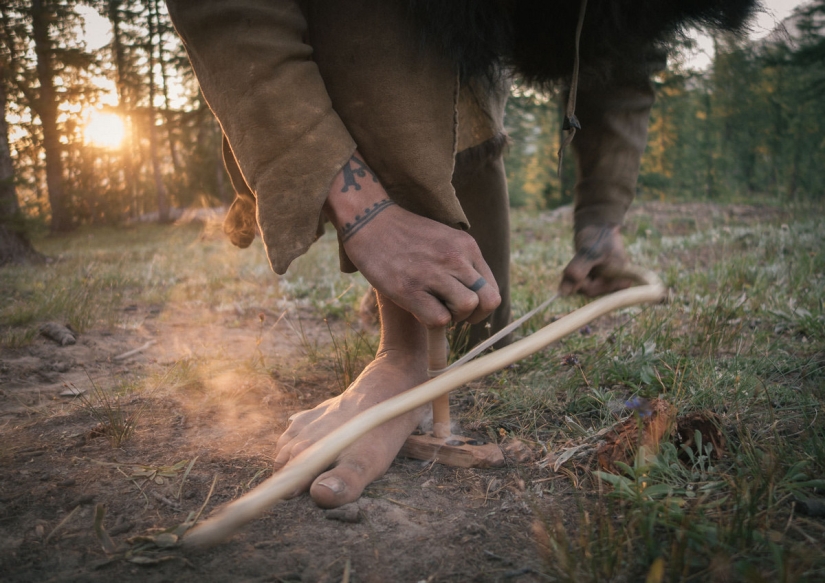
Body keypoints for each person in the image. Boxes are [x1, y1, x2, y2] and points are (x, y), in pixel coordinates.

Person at [166, 0, 754, 509]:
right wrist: (370, 221)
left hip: (467, 56)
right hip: (356, 43)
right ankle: (391, 334)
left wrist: (601, 222)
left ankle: (411, 290)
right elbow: (231, 15)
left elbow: (621, 42)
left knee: (476, 317)